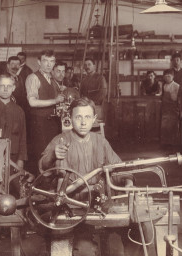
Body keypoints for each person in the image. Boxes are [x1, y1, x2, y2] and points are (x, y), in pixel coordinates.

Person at [39, 97, 136, 256]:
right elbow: (43, 172)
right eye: (78, 117)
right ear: (70, 118)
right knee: (85, 251)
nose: (83, 122)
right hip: (71, 208)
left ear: (94, 119)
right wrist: (52, 156)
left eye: (87, 117)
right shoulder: (60, 140)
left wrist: (128, 182)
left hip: (99, 204)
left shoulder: (100, 141)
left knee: (135, 232)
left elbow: (118, 167)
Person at [26, 50, 64, 174]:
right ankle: (38, 186)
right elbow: (32, 102)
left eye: (51, 61)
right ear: (39, 62)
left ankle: (49, 184)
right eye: (45, 61)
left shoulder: (52, 80)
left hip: (52, 122)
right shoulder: (33, 78)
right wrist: (55, 101)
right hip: (39, 123)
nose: (48, 64)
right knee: (40, 154)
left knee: (52, 153)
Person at [160, 69, 181, 148]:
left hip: (173, 109)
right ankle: (166, 144)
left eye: (169, 76)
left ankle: (173, 145)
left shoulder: (176, 86)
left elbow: (177, 99)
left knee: (173, 126)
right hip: (165, 109)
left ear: (173, 76)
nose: (167, 78)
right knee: (165, 126)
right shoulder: (164, 85)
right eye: (165, 76)